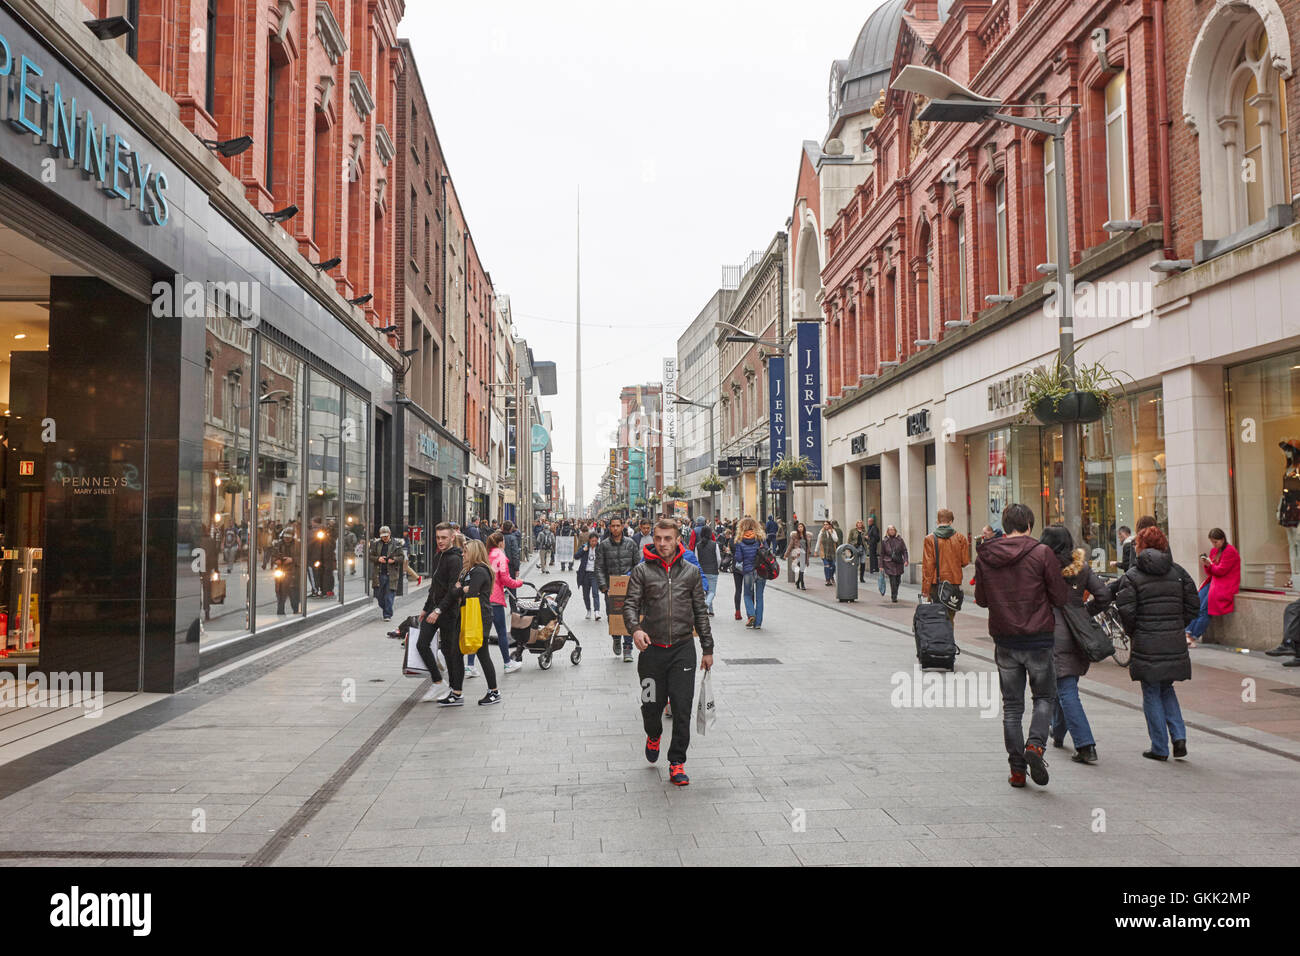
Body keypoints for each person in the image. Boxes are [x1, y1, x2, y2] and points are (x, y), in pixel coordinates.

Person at [974, 503, 1070, 789]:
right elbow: (1060, 597)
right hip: (1038, 636)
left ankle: (1017, 770)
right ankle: (1036, 746)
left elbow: (980, 599)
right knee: (1044, 697)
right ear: (1030, 524)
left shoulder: (987, 555)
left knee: (1012, 707)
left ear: (1005, 525)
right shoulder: (1043, 553)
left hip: (1005, 638)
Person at [625, 518, 714, 787]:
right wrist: (635, 629)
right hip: (651, 652)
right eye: (658, 538)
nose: (662, 543)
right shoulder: (641, 571)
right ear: (653, 538)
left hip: (683, 651)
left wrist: (707, 648)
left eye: (668, 538)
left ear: (678, 540)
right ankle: (653, 735)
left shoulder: (691, 572)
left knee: (682, 707)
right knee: (651, 706)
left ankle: (677, 762)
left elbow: (700, 611)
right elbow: (630, 605)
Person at [1113, 525, 1200, 761]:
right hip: (1172, 640)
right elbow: (1194, 606)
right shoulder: (1178, 572)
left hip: (1146, 640)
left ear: (1139, 546)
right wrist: (1176, 624)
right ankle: (1179, 737)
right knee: (1166, 688)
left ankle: (1160, 746)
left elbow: (1126, 610)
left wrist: (1135, 631)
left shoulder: (1133, 575)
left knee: (1151, 690)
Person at [1040, 525, 1111, 765]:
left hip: (1051, 631)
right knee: (1065, 682)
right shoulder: (1081, 567)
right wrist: (1083, 612)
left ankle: (1085, 745)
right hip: (1077, 634)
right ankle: (1058, 732)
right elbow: (1103, 595)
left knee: (1066, 687)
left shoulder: (1043, 567)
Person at [437, 540, 501, 706]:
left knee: (482, 653)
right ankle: (457, 693)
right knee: (456, 652)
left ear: (473, 553)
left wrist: (462, 589)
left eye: (465, 552)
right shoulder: (467, 572)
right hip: (466, 615)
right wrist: (461, 589)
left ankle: (494, 691)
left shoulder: (479, 571)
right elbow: (455, 592)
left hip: (479, 617)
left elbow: (471, 592)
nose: (463, 555)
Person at [416, 523, 463, 702]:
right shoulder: (438, 556)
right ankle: (437, 682)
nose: (440, 541)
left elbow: (452, 591)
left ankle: (454, 689)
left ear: (452, 537)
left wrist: (438, 610)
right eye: (438, 538)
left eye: (444, 538)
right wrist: (426, 607)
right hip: (433, 610)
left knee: (450, 652)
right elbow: (434, 587)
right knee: (421, 644)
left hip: (448, 612)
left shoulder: (455, 559)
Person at [595, 516, 640, 660]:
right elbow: (599, 567)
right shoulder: (604, 545)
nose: (615, 528)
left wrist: (635, 582)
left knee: (631, 616)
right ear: (609, 528)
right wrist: (603, 587)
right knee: (612, 616)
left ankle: (628, 648)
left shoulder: (631, 544)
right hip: (611, 589)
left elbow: (638, 566)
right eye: (613, 526)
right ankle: (616, 638)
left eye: (618, 526)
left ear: (622, 527)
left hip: (629, 588)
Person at [1186, 528, 1240, 648]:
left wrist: (1210, 565)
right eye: (1212, 542)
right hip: (1215, 581)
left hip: (1224, 583)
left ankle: (1193, 635)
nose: (1214, 545)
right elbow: (1212, 572)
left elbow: (1221, 571)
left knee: (1205, 608)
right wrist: (1207, 565)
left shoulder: (1230, 551)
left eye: (1216, 542)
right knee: (1196, 603)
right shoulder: (1214, 551)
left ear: (1222, 539)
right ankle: (1188, 632)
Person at [920, 509, 971, 622]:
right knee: (950, 616)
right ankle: (948, 638)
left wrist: (925, 590)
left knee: (936, 615)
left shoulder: (930, 539)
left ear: (937, 521)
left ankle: (938, 638)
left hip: (935, 583)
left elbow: (928, 567)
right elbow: (965, 561)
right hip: (953, 583)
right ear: (951, 521)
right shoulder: (960, 538)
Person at [487, 531, 524, 674]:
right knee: (502, 632)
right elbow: (505, 579)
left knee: (482, 633)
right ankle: (507, 663)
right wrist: (518, 583)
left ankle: (470, 665)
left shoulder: (488, 554)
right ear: (501, 542)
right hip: (495, 598)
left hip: (484, 597)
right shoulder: (500, 556)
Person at [733, 516, 767, 629]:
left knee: (747, 595)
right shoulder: (761, 538)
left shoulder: (740, 540)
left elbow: (738, 558)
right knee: (760, 597)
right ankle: (758, 623)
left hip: (748, 571)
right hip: (761, 570)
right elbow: (767, 553)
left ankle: (751, 614)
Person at [369, 526, 404, 622]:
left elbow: (402, 557)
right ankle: (385, 609)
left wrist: (394, 560)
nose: (384, 537)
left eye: (386, 536)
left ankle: (387, 614)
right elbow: (370, 556)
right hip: (379, 574)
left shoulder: (397, 544)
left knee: (389, 596)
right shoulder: (376, 544)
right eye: (383, 536)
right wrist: (378, 559)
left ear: (390, 534)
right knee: (378, 595)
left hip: (391, 574)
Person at [270, 526, 300, 615]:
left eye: (289, 537)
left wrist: (292, 560)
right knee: (280, 592)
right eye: (285, 537)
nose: (287, 539)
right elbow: (273, 555)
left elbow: (302, 557)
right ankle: (280, 610)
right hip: (281, 570)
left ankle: (296, 609)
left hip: (294, 571)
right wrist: (276, 560)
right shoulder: (278, 544)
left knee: (294, 592)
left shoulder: (298, 545)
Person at [693, 517, 719, 616]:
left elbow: (696, 559)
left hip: (702, 571)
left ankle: (711, 611)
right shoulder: (714, 544)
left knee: (707, 591)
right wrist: (717, 566)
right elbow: (719, 558)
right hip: (713, 571)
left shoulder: (698, 545)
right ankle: (706, 605)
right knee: (712, 592)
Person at [576, 532, 602, 620]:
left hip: (595, 574)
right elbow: (576, 556)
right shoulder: (584, 547)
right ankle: (588, 610)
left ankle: (597, 612)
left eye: (595, 541)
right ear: (589, 540)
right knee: (586, 594)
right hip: (585, 574)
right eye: (592, 541)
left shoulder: (600, 548)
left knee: (595, 593)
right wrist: (584, 550)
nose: (594, 543)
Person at [879, 525, 908, 602]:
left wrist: (906, 560)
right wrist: (881, 565)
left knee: (898, 580)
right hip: (889, 563)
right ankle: (894, 596)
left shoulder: (900, 540)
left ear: (895, 531)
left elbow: (904, 551)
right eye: (890, 530)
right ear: (887, 531)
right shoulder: (885, 541)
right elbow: (882, 554)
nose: (892, 531)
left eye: (893, 530)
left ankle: (895, 593)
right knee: (893, 580)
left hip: (898, 562)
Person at [815, 520, 839, 586]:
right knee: (827, 566)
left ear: (830, 525)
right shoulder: (821, 532)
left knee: (833, 566)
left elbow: (836, 540)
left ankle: (831, 576)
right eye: (824, 524)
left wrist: (831, 533)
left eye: (827, 524)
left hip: (832, 552)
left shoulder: (833, 531)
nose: (825, 526)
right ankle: (827, 580)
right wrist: (816, 551)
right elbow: (818, 541)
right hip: (824, 552)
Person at [788, 522, 809, 590]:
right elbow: (790, 545)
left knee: (802, 569)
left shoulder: (806, 536)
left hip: (804, 555)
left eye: (801, 527)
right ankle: (802, 584)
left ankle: (798, 582)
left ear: (803, 528)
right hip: (797, 555)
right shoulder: (795, 536)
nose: (800, 528)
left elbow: (808, 546)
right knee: (801, 569)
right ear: (797, 528)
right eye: (799, 527)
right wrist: (786, 554)